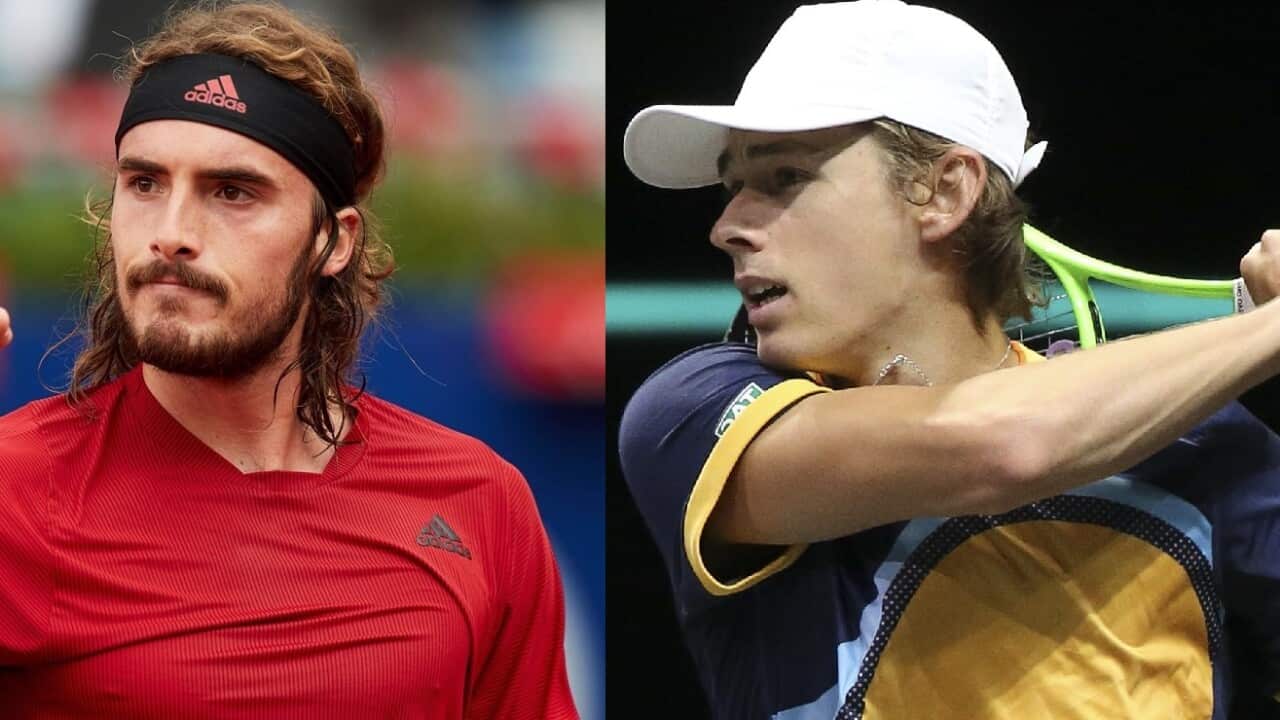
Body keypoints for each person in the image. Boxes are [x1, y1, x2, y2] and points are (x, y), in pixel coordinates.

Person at [618, 1, 1280, 718]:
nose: (727, 227)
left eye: (784, 178)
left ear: (943, 191)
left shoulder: (1211, 447)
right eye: (732, 186)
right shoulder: (696, 411)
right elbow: (999, 445)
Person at [0, 4, 577, 718]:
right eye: (144, 183)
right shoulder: (12, 491)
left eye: (232, 192)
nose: (171, 234)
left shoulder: (481, 500)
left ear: (332, 242)